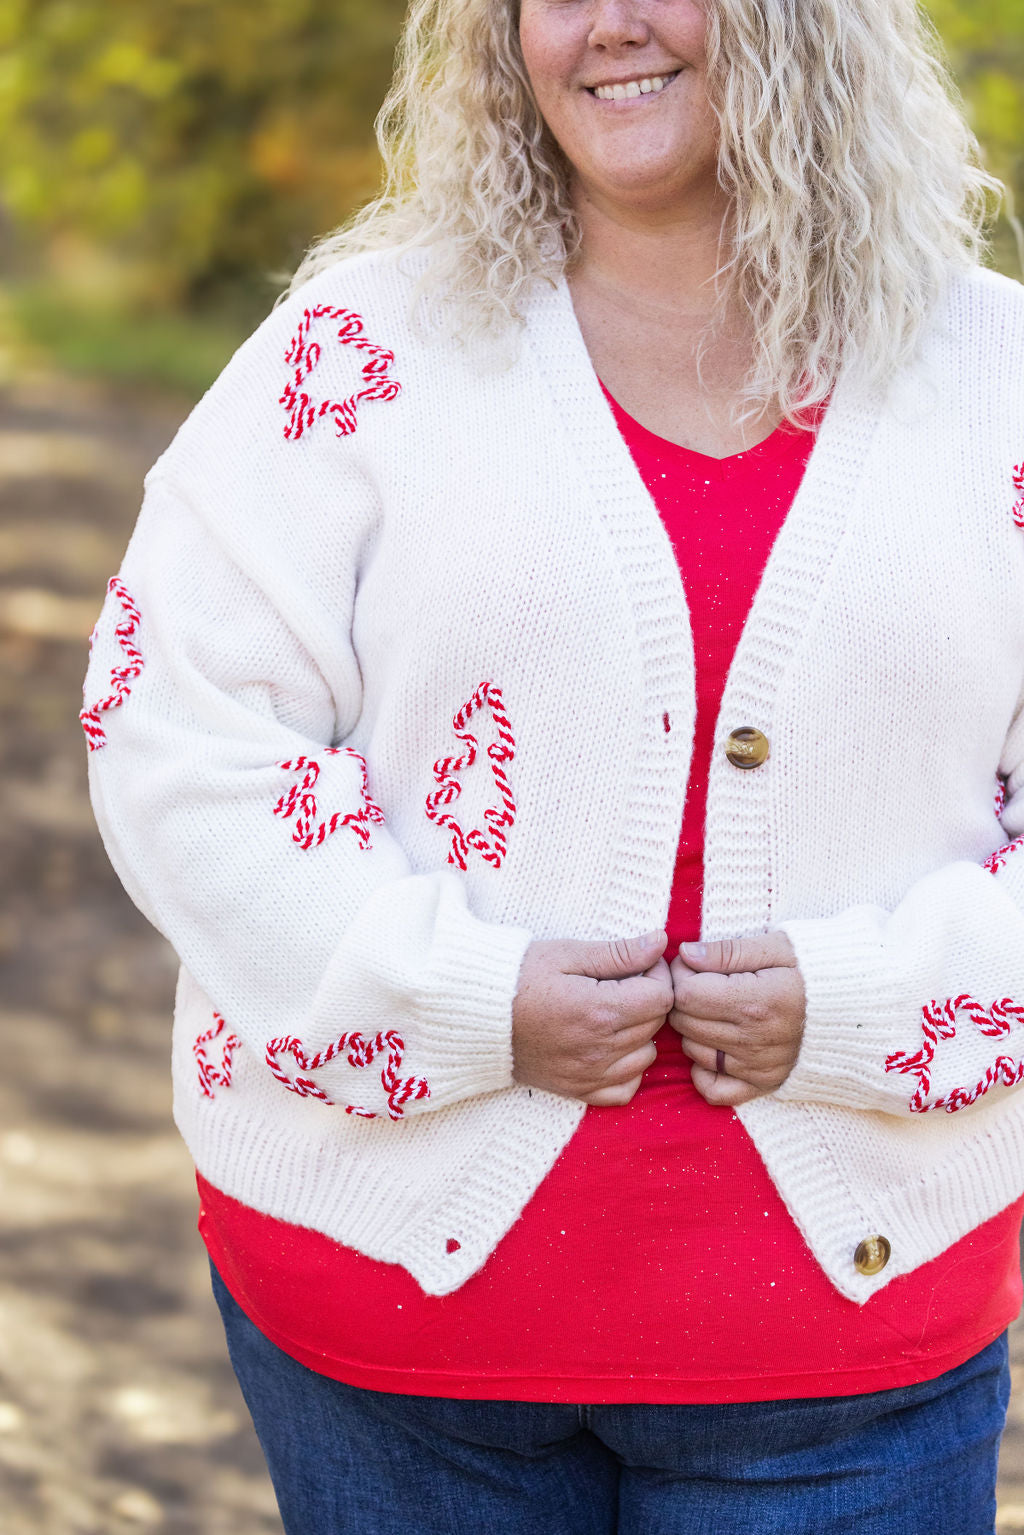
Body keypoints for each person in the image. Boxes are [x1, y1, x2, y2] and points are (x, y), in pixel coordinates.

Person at [82, 0, 1024, 1530]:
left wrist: (869, 1007)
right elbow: (175, 726)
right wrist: (459, 1000)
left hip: (847, 1370)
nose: (604, 26)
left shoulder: (999, 380)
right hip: (396, 1344)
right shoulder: (361, 351)